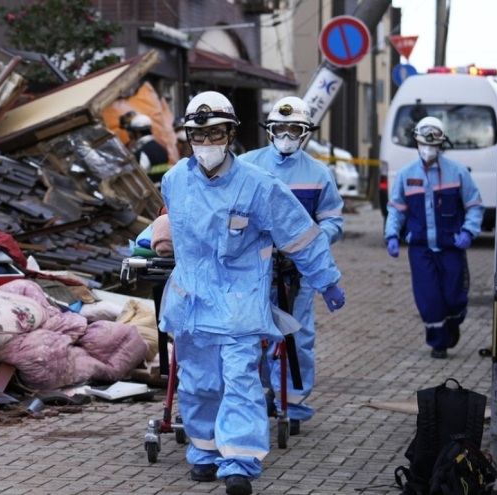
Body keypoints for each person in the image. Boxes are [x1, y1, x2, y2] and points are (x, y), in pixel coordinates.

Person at [158, 90, 346, 495]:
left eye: (216, 134)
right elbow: (170, 228)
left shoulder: (260, 186)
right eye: (199, 136)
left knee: (241, 381)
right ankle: (205, 452)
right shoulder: (174, 181)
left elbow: (300, 236)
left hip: (241, 305)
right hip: (192, 305)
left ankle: (239, 462)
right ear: (189, 137)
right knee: (198, 385)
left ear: (231, 134)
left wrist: (326, 279)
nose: (207, 144)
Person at [239, 96, 344, 436]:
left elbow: (333, 220)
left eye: (293, 129)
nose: (286, 135)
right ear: (269, 130)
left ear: (305, 133)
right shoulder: (245, 166)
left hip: (298, 273)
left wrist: (313, 242)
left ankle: (294, 403)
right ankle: (256, 397)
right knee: (250, 335)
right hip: (251, 271)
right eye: (280, 128)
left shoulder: (318, 174)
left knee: (297, 338)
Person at [384, 116, 484, 359]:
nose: (428, 148)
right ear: (416, 142)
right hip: (421, 249)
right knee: (428, 298)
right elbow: (396, 209)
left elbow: (474, 206)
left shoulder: (457, 172)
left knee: (453, 297)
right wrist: (392, 235)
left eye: (433, 144)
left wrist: (468, 232)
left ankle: (454, 322)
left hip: (451, 247)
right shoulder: (406, 175)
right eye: (423, 143)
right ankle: (438, 343)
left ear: (441, 144)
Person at [123, 112, 170, 182]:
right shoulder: (161, 148)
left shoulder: (142, 152)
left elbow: (141, 177)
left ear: (137, 133)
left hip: (153, 191)